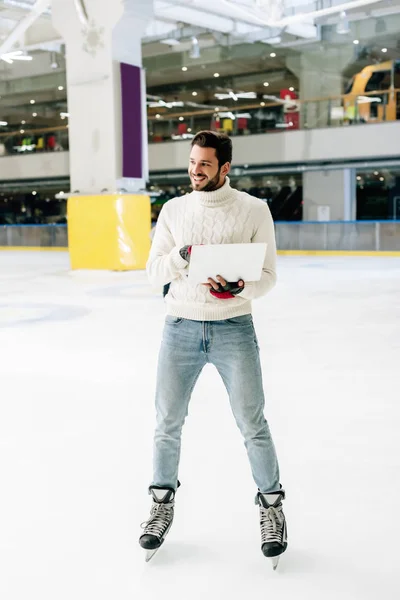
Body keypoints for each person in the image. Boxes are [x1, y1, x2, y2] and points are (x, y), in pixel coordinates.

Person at [139, 131, 287, 566]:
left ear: (225, 168)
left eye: (204, 164)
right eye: (192, 162)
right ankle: (160, 505)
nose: (195, 171)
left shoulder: (254, 210)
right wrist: (183, 256)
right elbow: (153, 272)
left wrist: (242, 285)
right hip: (180, 327)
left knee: (252, 422)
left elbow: (269, 275)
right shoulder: (173, 210)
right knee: (167, 422)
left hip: (233, 328)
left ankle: (272, 508)